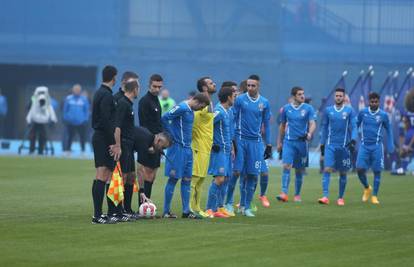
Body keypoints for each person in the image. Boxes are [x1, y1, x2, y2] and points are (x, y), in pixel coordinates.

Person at [161, 93, 210, 219]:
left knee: (187, 179)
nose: (200, 110)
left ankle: (186, 211)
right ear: (196, 101)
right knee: (173, 178)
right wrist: (171, 136)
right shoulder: (182, 107)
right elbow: (165, 117)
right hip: (177, 149)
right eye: (201, 107)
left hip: (188, 149)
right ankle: (166, 211)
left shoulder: (190, 111)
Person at [230, 75, 272, 217]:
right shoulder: (240, 100)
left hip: (256, 142)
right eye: (248, 85)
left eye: (253, 86)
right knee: (236, 172)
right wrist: (232, 140)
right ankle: (229, 203)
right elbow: (233, 119)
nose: (250, 88)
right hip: (241, 139)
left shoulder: (264, 102)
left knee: (253, 175)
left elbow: (266, 124)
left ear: (258, 86)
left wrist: (269, 144)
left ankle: (246, 206)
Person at [318, 88, 357, 206]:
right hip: (331, 145)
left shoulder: (349, 111)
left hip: (344, 146)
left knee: (343, 172)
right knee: (327, 169)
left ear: (344, 97)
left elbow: (354, 126)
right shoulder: (328, 111)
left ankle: (340, 198)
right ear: (334, 97)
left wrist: (353, 140)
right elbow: (324, 128)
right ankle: (325, 196)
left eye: (341, 96)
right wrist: (322, 143)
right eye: (337, 96)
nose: (339, 97)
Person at [276, 86, 316, 203]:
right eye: (299, 94)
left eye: (303, 94)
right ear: (294, 96)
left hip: (302, 143)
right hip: (289, 142)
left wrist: (309, 133)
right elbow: (282, 126)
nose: (302, 96)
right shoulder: (286, 109)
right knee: (286, 166)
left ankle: (297, 195)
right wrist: (279, 142)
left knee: (299, 170)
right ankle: (284, 193)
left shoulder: (308, 108)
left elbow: (312, 123)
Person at [90, 65, 120, 224]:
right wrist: (113, 143)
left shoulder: (98, 92)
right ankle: (97, 215)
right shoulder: (107, 96)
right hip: (104, 138)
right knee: (102, 175)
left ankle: (99, 214)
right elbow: (106, 121)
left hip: (100, 136)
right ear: (114, 77)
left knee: (103, 175)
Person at [356, 92, 394, 204]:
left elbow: (389, 130)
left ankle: (374, 196)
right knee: (359, 169)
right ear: (369, 102)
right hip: (364, 146)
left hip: (377, 146)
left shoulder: (383, 115)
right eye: (372, 101)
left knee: (377, 171)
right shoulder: (363, 113)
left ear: (379, 102)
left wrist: (391, 144)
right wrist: (352, 137)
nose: (373, 103)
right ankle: (367, 187)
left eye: (376, 101)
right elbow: (356, 125)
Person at [205, 86, 235, 218]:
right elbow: (206, 125)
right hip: (219, 151)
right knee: (219, 178)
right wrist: (212, 144)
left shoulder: (227, 111)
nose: (235, 98)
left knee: (226, 179)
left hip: (227, 151)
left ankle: (219, 207)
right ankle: (209, 209)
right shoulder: (218, 111)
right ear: (228, 97)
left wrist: (232, 147)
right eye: (234, 96)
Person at [189, 77, 217, 218]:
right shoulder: (200, 105)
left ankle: (198, 208)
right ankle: (188, 209)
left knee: (201, 180)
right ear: (205, 88)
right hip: (198, 147)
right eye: (211, 83)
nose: (214, 84)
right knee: (194, 179)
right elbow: (193, 122)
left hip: (206, 147)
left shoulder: (209, 103)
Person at [114, 78, 140, 220]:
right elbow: (117, 127)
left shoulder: (129, 104)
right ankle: (118, 211)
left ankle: (127, 209)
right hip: (123, 144)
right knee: (122, 177)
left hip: (129, 145)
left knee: (131, 176)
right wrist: (118, 145)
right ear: (135, 89)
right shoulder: (123, 104)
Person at [137, 74, 164, 208]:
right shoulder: (144, 101)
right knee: (146, 173)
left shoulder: (156, 100)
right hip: (149, 143)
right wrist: (150, 144)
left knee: (152, 175)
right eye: (155, 86)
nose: (157, 89)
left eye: (160, 87)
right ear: (149, 85)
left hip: (157, 143)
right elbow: (143, 126)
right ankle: (142, 205)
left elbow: (158, 123)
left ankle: (147, 204)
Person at [26, 86, 57, 155]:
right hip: (35, 120)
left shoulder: (48, 102)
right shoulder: (34, 101)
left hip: (44, 121)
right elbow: (31, 111)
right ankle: (32, 150)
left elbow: (51, 110)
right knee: (32, 135)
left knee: (43, 136)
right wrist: (28, 120)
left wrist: (53, 120)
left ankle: (41, 150)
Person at [62, 84, 90, 154]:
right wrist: (66, 118)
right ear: (73, 90)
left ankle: (83, 150)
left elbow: (87, 110)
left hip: (81, 122)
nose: (77, 91)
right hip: (70, 122)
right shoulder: (68, 98)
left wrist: (85, 119)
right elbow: (65, 109)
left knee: (82, 137)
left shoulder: (84, 99)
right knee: (70, 136)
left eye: (78, 90)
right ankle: (68, 150)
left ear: (80, 90)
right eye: (75, 89)